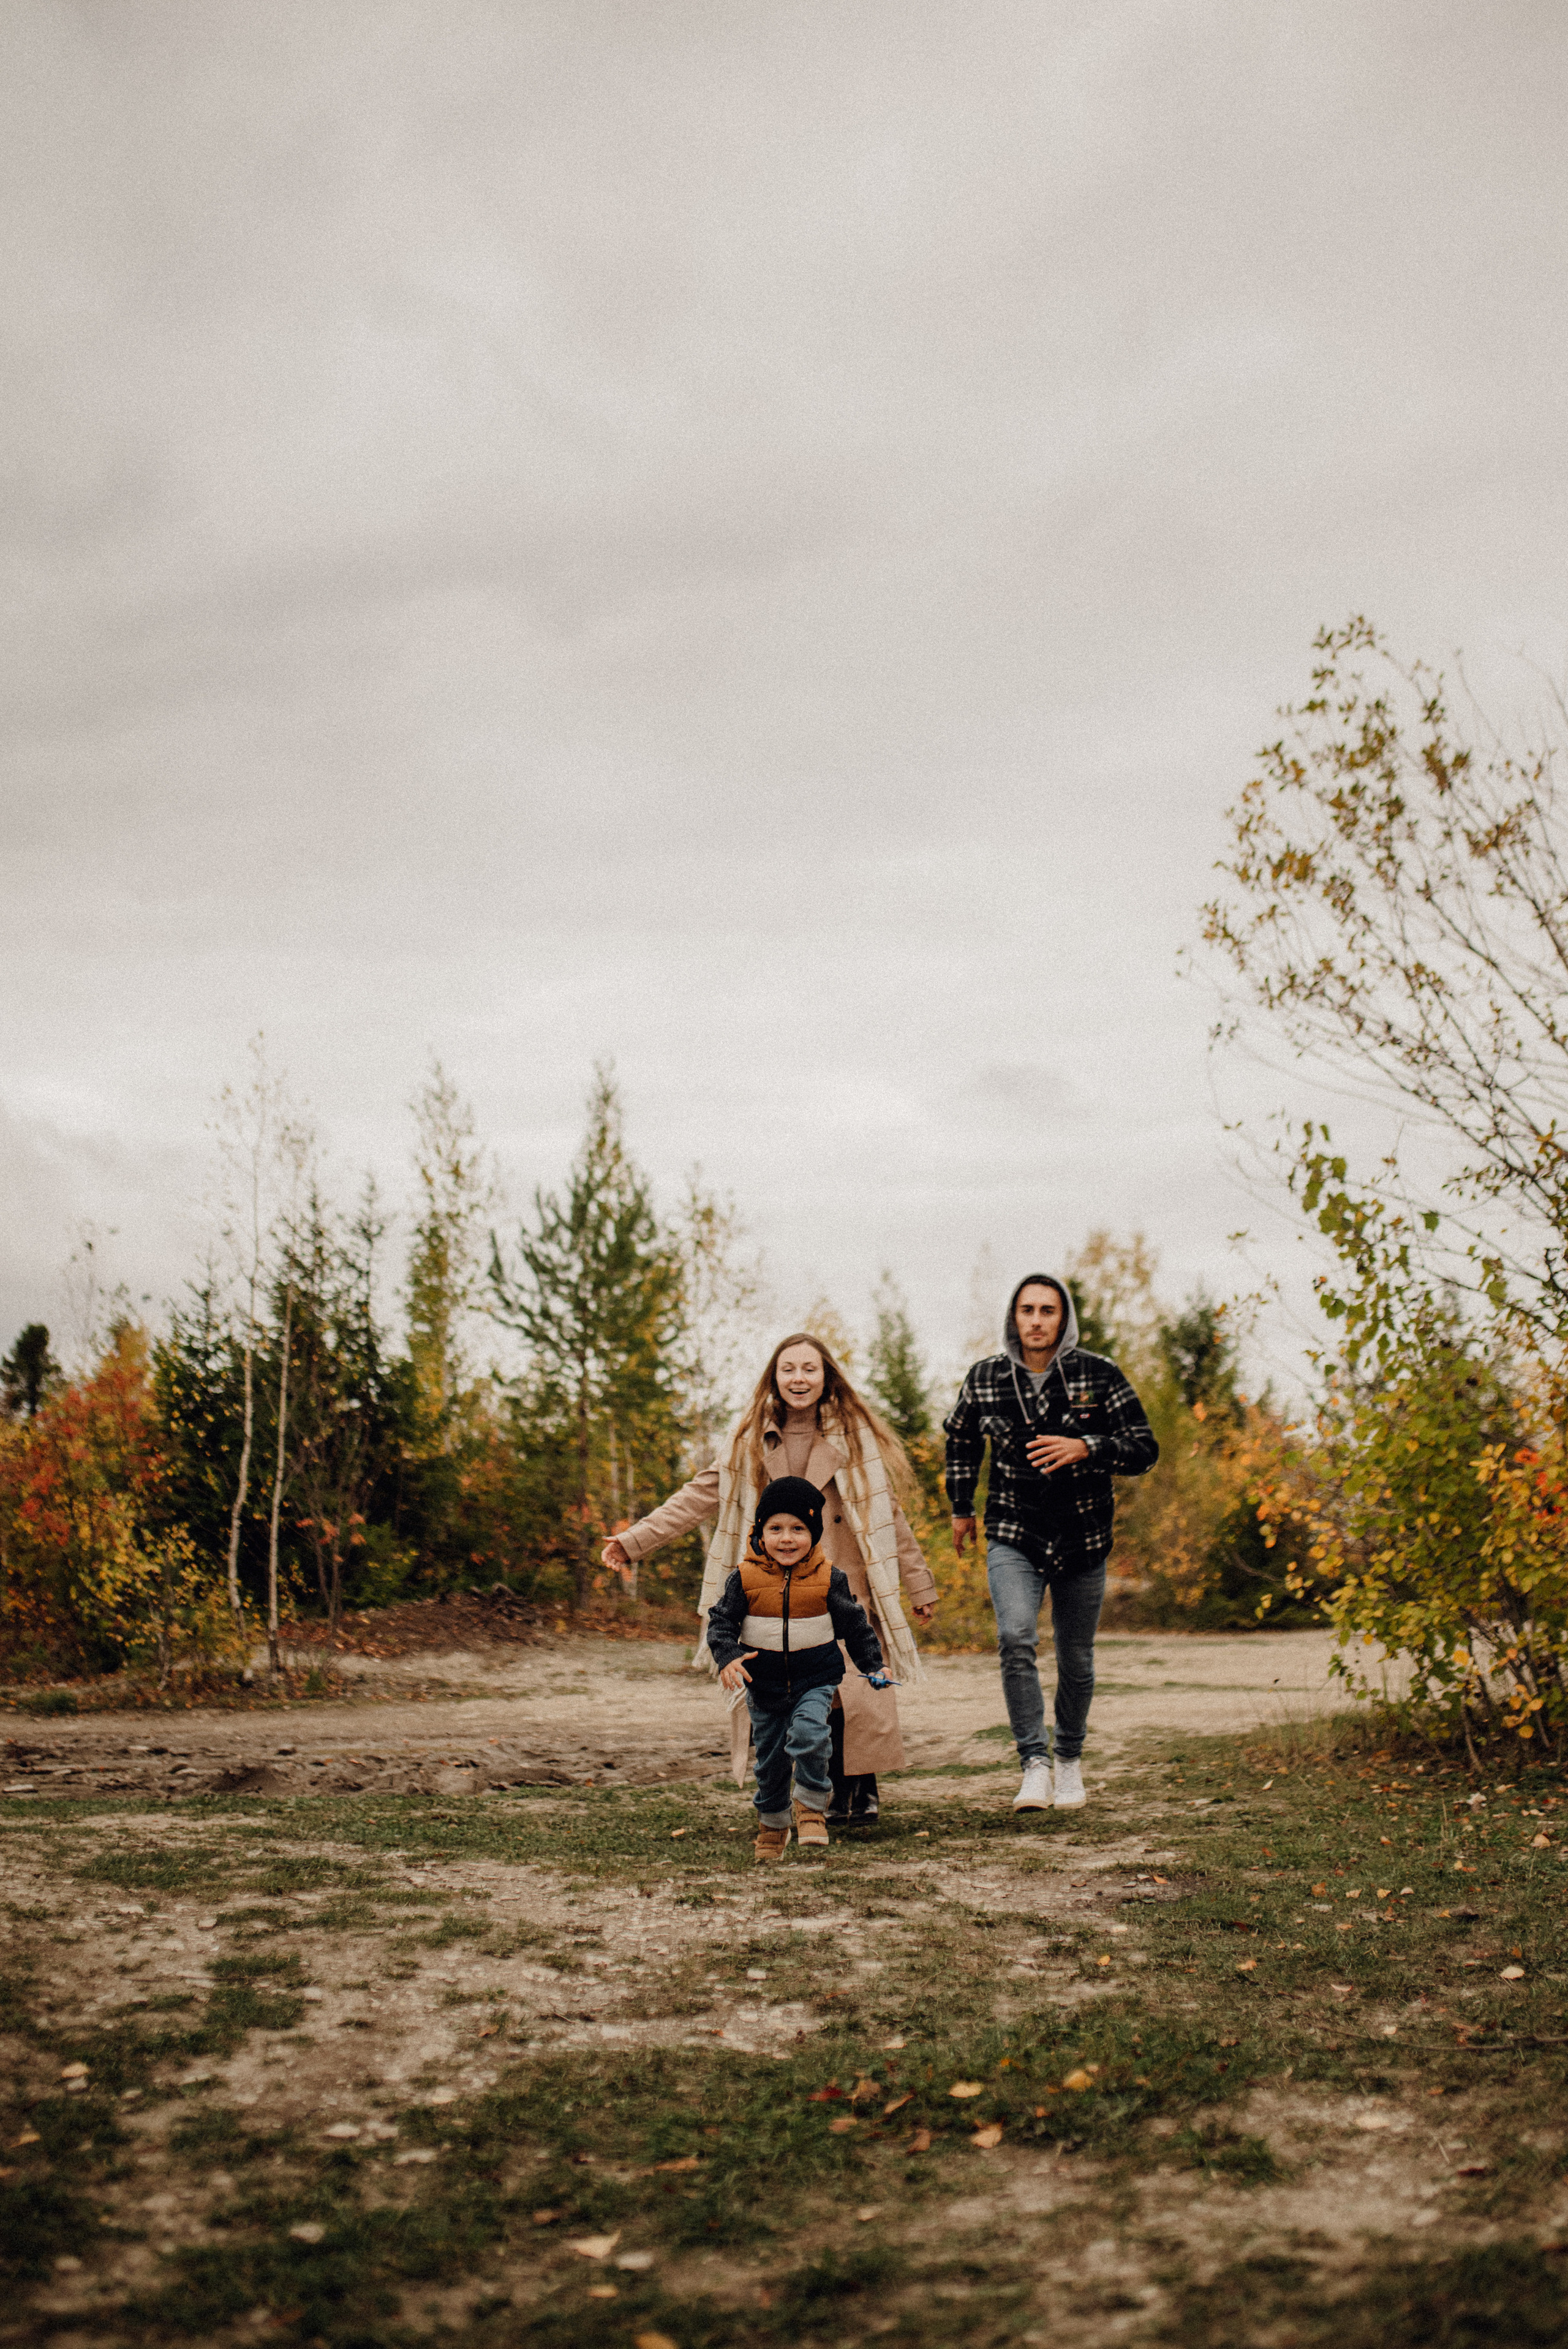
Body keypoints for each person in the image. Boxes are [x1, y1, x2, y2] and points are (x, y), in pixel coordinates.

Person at [603, 1331, 937, 1823]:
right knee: (796, 1692)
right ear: (774, 1379)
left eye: (809, 1369)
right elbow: (697, 1497)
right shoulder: (749, 1446)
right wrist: (634, 1541)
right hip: (776, 1590)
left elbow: (891, 1518)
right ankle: (811, 1791)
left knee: (854, 1692)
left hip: (843, 1584)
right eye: (789, 1369)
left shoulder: (857, 1444)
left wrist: (919, 1584)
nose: (799, 1378)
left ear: (826, 1379)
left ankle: (860, 1787)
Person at [943, 1273, 1158, 1812]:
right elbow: (962, 1440)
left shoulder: (1099, 1374)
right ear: (1013, 1318)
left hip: (1083, 1535)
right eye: (1027, 1310)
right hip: (1014, 1530)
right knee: (1016, 1637)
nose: (1037, 1320)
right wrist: (962, 1507)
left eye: (1047, 1311)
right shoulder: (987, 1377)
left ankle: (1068, 1761)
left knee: (1076, 1657)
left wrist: (1087, 1447)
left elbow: (1143, 1448)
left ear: (1064, 1319)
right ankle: (1033, 1765)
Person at [707, 1477, 891, 1859]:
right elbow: (721, 1622)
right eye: (776, 1529)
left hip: (815, 1680)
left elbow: (856, 1628)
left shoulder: (830, 1579)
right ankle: (773, 1825)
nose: (786, 1539)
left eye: (798, 1529)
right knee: (771, 1762)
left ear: (814, 1534)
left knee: (810, 1735)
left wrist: (874, 1665)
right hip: (765, 1685)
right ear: (760, 1532)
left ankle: (810, 1806)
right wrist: (727, 1657)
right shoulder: (744, 1578)